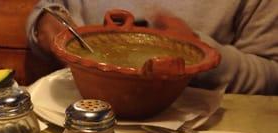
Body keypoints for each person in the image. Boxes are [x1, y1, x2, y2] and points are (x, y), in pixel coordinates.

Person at [26, 0, 278, 94]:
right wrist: (44, 22)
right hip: (83, 118)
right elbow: (49, 7)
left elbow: (271, 74)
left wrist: (200, 53)